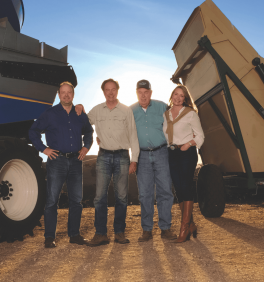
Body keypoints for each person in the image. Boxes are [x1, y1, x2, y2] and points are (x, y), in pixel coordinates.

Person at [28, 81, 93, 248]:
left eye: (69, 92)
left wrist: (86, 147)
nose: (66, 95)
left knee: (76, 201)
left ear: (73, 94)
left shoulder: (80, 114)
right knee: (51, 201)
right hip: (57, 161)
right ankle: (50, 237)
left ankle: (74, 235)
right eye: (62, 92)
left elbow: (89, 132)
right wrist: (44, 149)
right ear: (58, 95)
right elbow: (33, 131)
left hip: (76, 161)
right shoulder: (50, 114)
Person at [85, 78, 139, 246]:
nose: (110, 92)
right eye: (107, 89)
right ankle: (101, 234)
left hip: (123, 156)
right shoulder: (96, 111)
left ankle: (119, 233)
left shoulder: (125, 111)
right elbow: (83, 124)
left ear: (117, 90)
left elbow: (133, 136)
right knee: (99, 197)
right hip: (103, 157)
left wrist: (134, 160)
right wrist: (78, 109)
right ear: (103, 92)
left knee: (121, 197)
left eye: (113, 89)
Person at [130, 80, 177, 242]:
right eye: (140, 92)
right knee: (145, 194)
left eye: (146, 92)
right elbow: (121, 129)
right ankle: (147, 230)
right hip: (141, 156)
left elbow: (177, 121)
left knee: (165, 191)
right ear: (137, 93)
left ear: (150, 93)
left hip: (162, 153)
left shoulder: (162, 107)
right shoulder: (130, 111)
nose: (143, 95)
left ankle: (166, 228)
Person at [163, 84, 204, 242]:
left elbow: (200, 136)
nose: (178, 98)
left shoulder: (190, 114)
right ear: (172, 95)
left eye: (181, 96)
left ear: (185, 98)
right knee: (178, 189)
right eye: (175, 94)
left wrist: (189, 144)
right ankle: (191, 224)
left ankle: (184, 228)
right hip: (171, 153)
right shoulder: (166, 115)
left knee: (186, 186)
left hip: (187, 153)